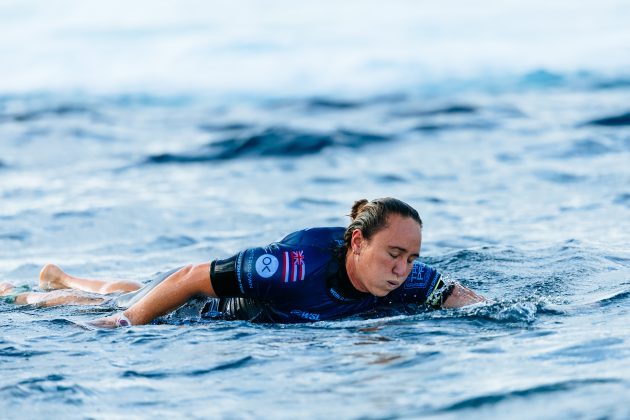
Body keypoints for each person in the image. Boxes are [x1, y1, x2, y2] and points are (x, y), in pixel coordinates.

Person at [1, 198, 485, 327]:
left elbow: (468, 301)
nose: (403, 268)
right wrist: (125, 322)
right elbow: (191, 278)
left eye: (412, 258)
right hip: (211, 311)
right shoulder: (291, 265)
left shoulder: (409, 280)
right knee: (120, 304)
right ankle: (26, 293)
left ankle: (60, 273)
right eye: (394, 254)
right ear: (358, 242)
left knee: (136, 286)